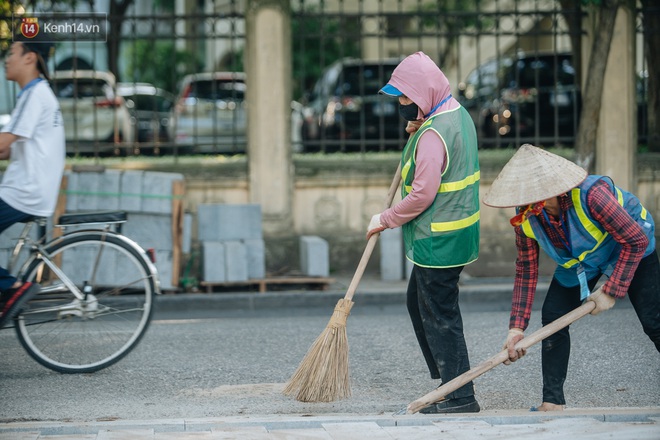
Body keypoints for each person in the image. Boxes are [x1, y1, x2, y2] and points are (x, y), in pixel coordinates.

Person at [482, 144, 659, 412]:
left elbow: (634, 240)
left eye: (533, 196)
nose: (526, 203)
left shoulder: (592, 196)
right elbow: (526, 269)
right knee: (553, 316)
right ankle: (552, 403)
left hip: (629, 246)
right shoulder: (527, 216)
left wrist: (611, 290)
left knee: (653, 320)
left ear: (551, 190)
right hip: (581, 262)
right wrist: (516, 329)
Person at [367, 51, 481, 414]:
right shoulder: (455, 115)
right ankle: (450, 383)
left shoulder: (434, 135)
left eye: (405, 97)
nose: (401, 104)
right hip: (458, 235)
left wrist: (384, 219)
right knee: (420, 304)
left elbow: (422, 195)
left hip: (439, 241)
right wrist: (420, 127)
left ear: (423, 92)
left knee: (439, 313)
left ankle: (461, 396)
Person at [0, 36, 65, 328]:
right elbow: (7, 147)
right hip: (24, 189)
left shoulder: (35, 94)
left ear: (30, 58)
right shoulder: (34, 94)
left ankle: (12, 288)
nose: (6, 58)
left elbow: (4, 141)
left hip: (24, 192)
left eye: (11, 52)